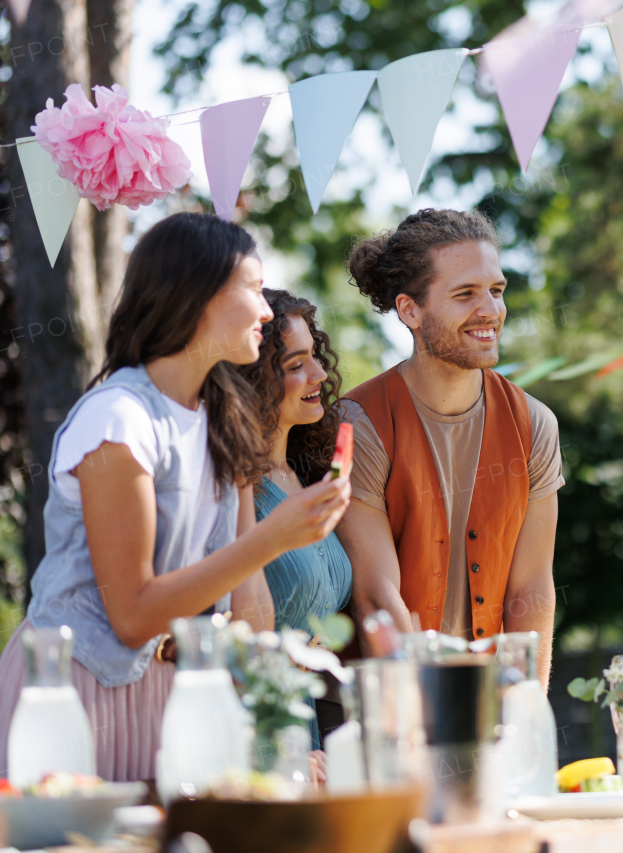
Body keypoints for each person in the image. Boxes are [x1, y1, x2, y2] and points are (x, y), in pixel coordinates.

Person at [0, 213, 350, 782]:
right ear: (199, 296)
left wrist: (268, 746)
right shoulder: (118, 418)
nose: (266, 311)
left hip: (174, 708)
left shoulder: (221, 424)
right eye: (254, 289)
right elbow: (134, 613)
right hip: (74, 700)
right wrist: (273, 536)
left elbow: (241, 617)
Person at [337, 209, 562, 688]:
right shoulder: (358, 423)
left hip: (486, 704)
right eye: (465, 294)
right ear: (410, 310)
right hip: (382, 709)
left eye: (496, 291)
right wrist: (433, 716)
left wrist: (528, 710)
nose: (491, 311)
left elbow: (532, 589)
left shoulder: (534, 425)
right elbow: (376, 597)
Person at [238, 288, 353, 745]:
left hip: (311, 728)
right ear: (253, 381)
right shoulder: (236, 485)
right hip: (259, 727)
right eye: (295, 365)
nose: (320, 374)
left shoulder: (306, 473)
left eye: (315, 357)